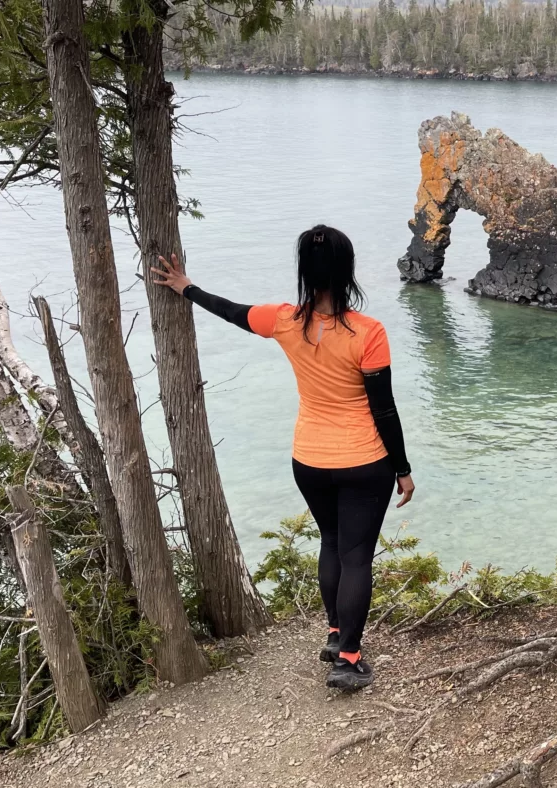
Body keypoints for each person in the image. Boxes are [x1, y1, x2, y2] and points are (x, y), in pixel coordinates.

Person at [150, 225, 414, 691]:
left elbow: (231, 311)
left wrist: (185, 286)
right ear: (347, 270)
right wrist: (403, 469)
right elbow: (384, 408)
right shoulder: (368, 333)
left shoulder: (284, 321)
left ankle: (336, 636)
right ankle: (349, 661)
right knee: (356, 558)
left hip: (309, 460)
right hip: (363, 461)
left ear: (305, 272)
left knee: (331, 543)